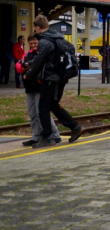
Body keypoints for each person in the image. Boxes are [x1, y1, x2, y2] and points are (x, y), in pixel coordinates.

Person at [23, 15, 84, 147]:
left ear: (38, 27)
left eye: (35, 28)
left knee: (43, 108)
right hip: (61, 78)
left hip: (50, 78)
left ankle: (48, 137)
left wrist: (28, 74)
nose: (35, 30)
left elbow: (39, 61)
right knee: (52, 105)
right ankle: (75, 127)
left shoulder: (45, 42)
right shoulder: (58, 37)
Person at [16, 35, 60, 146]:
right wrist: (25, 67)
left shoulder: (42, 54)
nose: (33, 45)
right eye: (31, 43)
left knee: (41, 112)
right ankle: (36, 136)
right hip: (29, 87)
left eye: (35, 43)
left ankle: (54, 134)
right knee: (32, 113)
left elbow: (37, 67)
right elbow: (19, 66)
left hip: (40, 86)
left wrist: (27, 67)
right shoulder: (27, 54)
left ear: (39, 43)